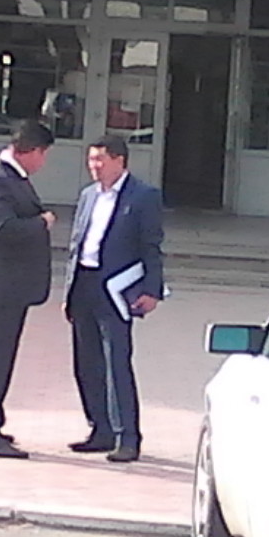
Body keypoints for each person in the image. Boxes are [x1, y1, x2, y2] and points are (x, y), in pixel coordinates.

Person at [66, 134, 165, 463]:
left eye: (101, 159)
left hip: (115, 289)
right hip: (84, 284)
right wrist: (69, 292)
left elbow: (151, 246)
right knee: (86, 362)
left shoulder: (143, 196)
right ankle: (100, 429)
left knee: (116, 362)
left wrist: (152, 289)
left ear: (119, 161)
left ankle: (127, 436)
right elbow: (77, 245)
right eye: (91, 160)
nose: (94, 166)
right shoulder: (87, 195)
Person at [0, 119, 55, 459]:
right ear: (30, 151)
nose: (43, 162)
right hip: (2, 286)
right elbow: (2, 228)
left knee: (0, 358)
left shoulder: (13, 177)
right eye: (43, 154)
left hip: (13, 285)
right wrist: (40, 223)